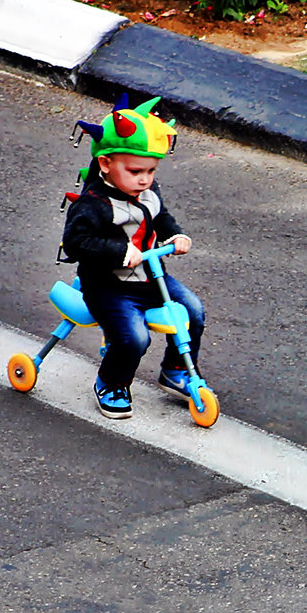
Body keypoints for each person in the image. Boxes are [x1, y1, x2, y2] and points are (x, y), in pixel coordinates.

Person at [62, 95, 205, 419]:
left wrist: (175, 235)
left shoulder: (148, 194)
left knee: (193, 310)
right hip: (107, 285)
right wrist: (118, 251)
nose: (144, 179)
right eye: (136, 171)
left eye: (151, 170)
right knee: (134, 337)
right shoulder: (93, 204)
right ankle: (110, 383)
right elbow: (75, 242)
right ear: (105, 164)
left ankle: (175, 370)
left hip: (152, 279)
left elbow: (162, 218)